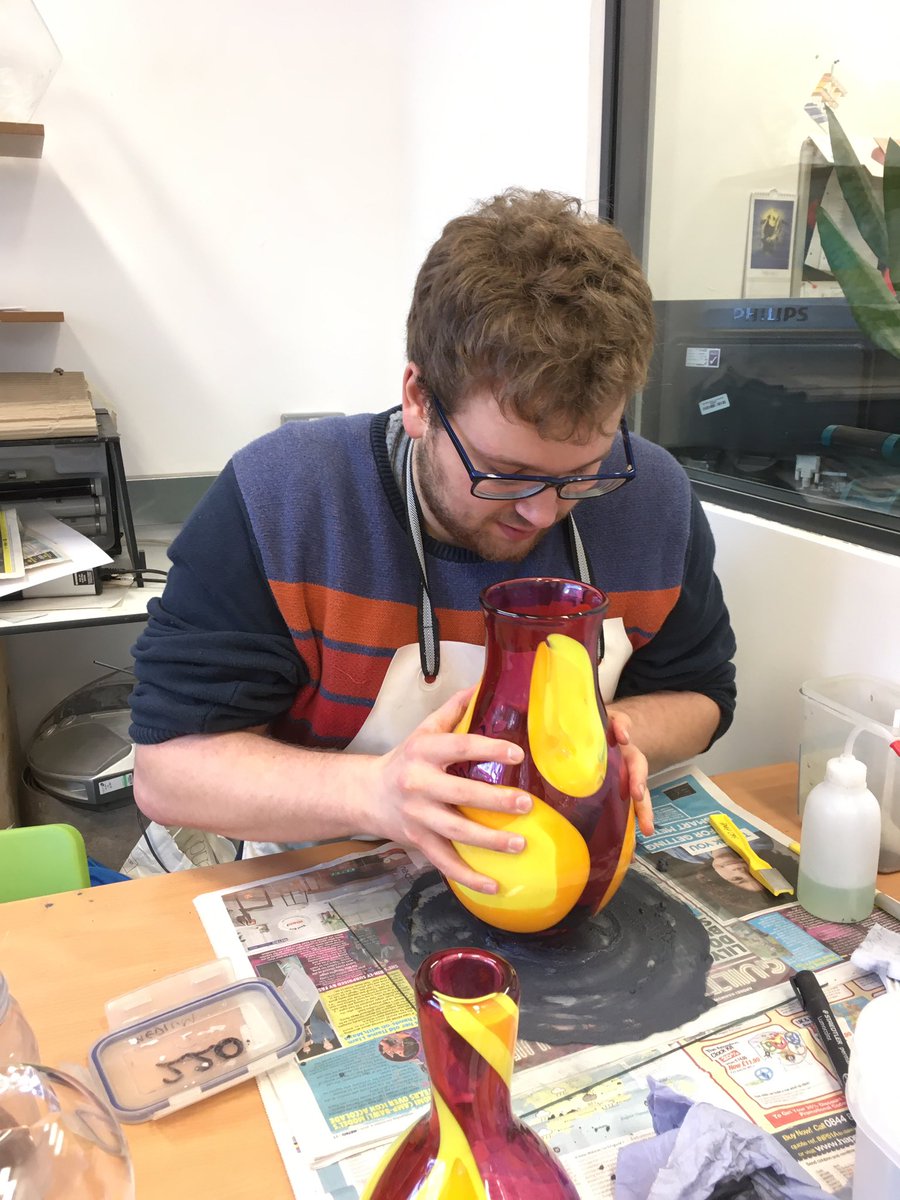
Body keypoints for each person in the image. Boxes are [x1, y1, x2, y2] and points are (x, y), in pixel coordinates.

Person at [129, 188, 736, 896]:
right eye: (505, 474)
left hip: (545, 872)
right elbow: (168, 770)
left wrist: (613, 734)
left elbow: (701, 694)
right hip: (324, 867)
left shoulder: (652, 499)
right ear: (419, 399)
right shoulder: (286, 501)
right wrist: (376, 793)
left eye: (580, 474)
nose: (542, 513)